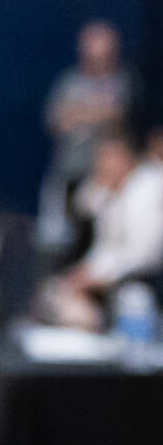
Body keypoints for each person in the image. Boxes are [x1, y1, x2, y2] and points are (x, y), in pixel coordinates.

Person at [36, 20, 140, 270]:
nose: (98, 61)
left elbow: (116, 114)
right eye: (93, 55)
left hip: (108, 180)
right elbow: (55, 120)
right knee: (62, 237)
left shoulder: (125, 80)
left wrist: (78, 112)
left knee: (106, 238)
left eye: (104, 55)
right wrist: (93, 111)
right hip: (70, 172)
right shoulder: (68, 81)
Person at [37, 132, 163, 331]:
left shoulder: (149, 188)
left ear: (126, 156)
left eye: (107, 158)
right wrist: (86, 273)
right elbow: (84, 208)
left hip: (143, 279)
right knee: (54, 291)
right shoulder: (110, 190)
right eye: (99, 158)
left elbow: (142, 255)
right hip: (112, 276)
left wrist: (99, 277)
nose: (100, 165)